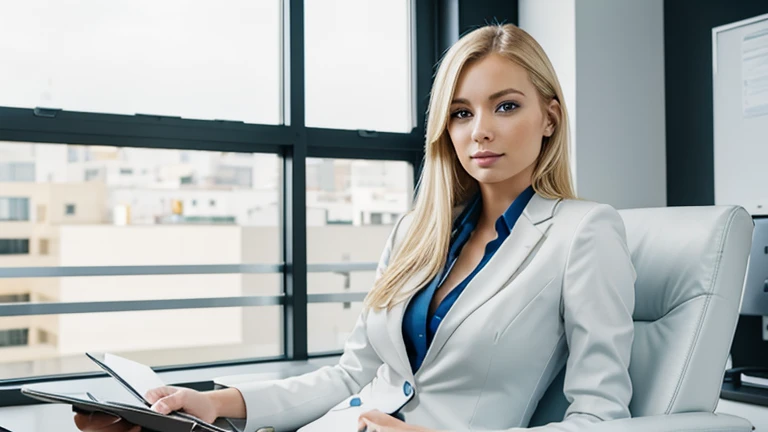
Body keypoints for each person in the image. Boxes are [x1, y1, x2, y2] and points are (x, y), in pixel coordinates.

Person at [75, 23, 636, 432]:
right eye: (462, 113)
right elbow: (352, 377)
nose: (480, 131)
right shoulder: (416, 233)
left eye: (506, 106)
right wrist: (215, 404)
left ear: (550, 117)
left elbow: (600, 417)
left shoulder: (583, 233)